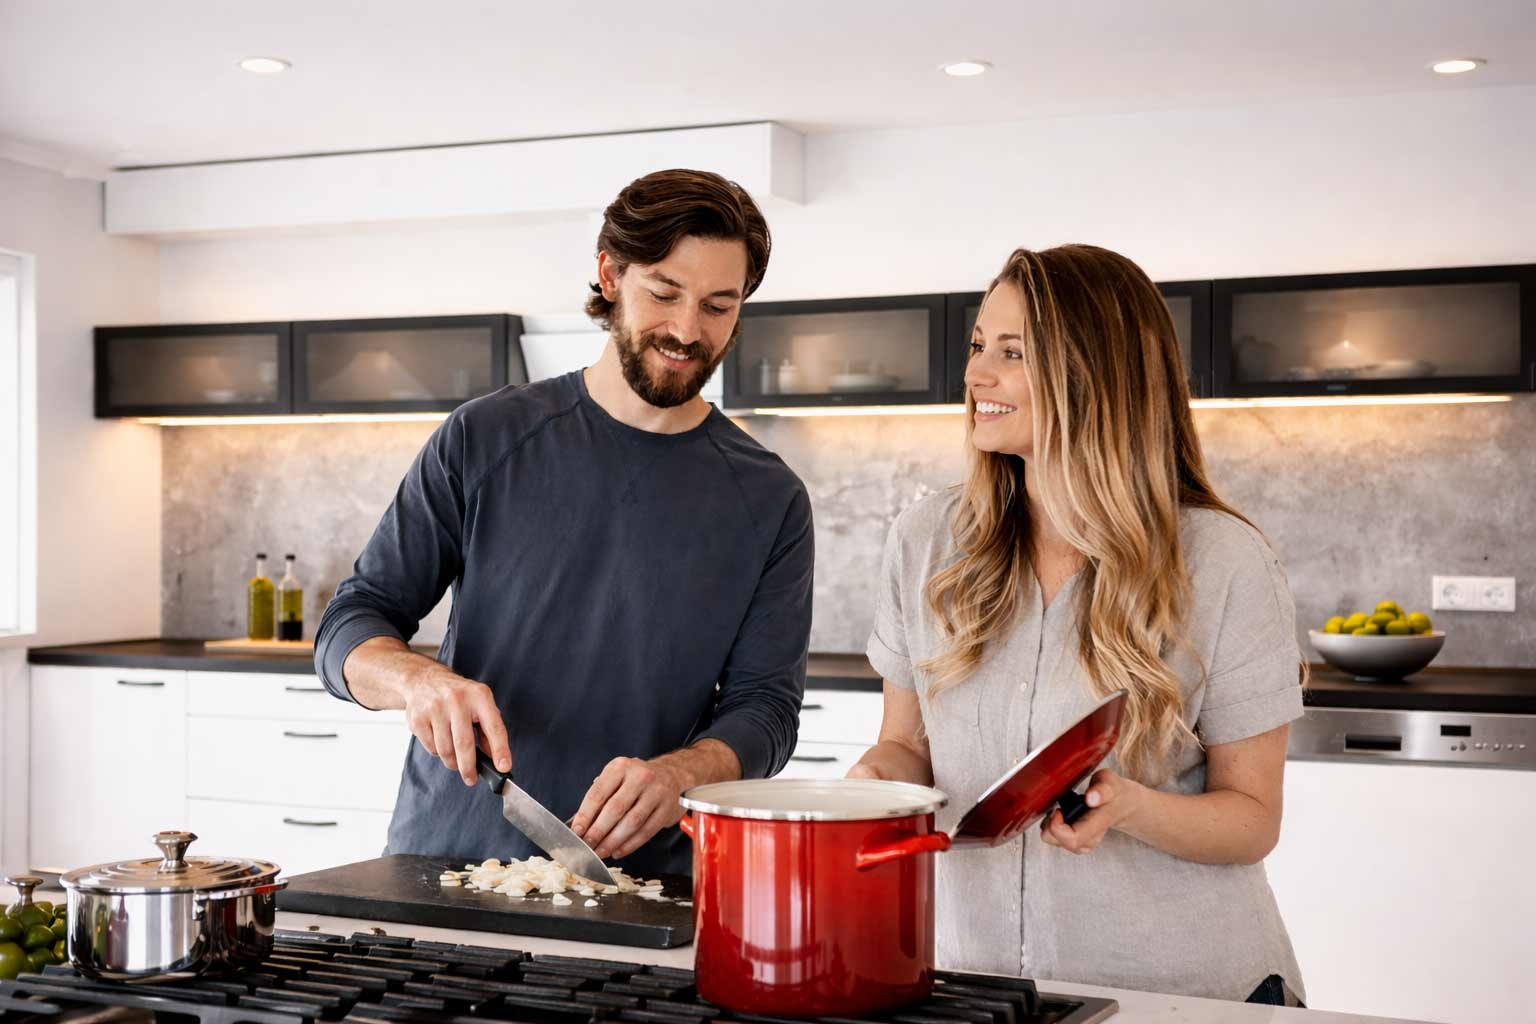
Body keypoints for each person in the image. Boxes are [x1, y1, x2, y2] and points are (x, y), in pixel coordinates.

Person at [314, 168, 814, 877]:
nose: (685, 330)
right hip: (451, 861)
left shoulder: (770, 498)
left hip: (641, 882)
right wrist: (413, 682)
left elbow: (766, 710)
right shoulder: (484, 437)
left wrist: (681, 775)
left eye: (718, 306)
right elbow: (351, 622)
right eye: (664, 293)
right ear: (610, 275)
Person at [849, 244, 1306, 1006]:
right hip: (979, 986)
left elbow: (1252, 820)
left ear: (1093, 375)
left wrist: (1129, 807)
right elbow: (906, 745)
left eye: (1012, 352)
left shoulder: (1223, 560)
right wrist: (876, 785)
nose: (975, 375)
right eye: (976, 346)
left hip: (1183, 995)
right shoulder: (925, 541)